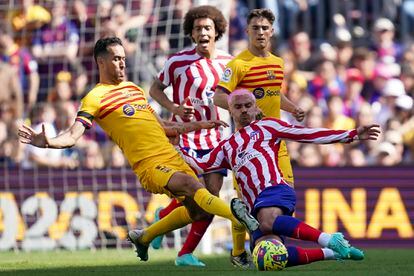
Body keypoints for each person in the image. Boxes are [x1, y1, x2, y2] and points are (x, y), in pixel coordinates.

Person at [17, 37, 259, 262]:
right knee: (194, 187)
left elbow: (161, 126)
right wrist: (48, 142)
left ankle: (143, 237)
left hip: (171, 155)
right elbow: (72, 136)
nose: (123, 62)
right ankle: (237, 216)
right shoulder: (95, 97)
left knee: (199, 212)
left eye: (123, 58)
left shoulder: (133, 89)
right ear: (101, 61)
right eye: (116, 58)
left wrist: (197, 125)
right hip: (149, 164)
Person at [181, 89, 380, 267]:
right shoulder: (226, 147)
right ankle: (331, 253)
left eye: (248, 105)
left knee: (268, 221)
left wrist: (351, 134)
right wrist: (175, 148)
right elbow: (201, 164)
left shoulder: (267, 126)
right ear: (230, 111)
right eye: (238, 106)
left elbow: (307, 134)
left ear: (255, 107)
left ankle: (329, 240)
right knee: (268, 258)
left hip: (274, 189)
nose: (243, 110)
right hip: (254, 206)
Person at [213, 8, 304, 266]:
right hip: (249, 145)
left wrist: (292, 107)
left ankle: (274, 251)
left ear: (272, 31)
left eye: (265, 28)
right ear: (247, 32)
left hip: (276, 143)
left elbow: (274, 94)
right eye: (255, 28)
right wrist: (244, 105)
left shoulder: (278, 62)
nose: (261, 32)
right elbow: (218, 96)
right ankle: (239, 252)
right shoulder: (238, 64)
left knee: (286, 197)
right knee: (248, 204)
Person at [148, 5, 233, 267]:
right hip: (186, 139)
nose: (203, 32)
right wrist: (173, 107)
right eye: (198, 29)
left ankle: (182, 248)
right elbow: (154, 89)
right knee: (194, 195)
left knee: (211, 198)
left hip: (217, 139)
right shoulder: (177, 62)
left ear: (216, 30)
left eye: (207, 27)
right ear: (191, 34)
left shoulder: (229, 63)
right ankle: (166, 225)